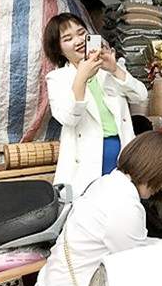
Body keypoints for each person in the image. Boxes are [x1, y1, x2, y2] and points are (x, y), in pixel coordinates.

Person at [32, 131, 162, 286]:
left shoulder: (108, 184)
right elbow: (138, 264)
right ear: (154, 167)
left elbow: (130, 242)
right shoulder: (125, 204)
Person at [43, 13, 147, 196]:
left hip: (122, 152)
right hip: (87, 160)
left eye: (81, 33)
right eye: (68, 38)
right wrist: (81, 78)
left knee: (121, 206)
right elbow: (69, 118)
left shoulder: (109, 68)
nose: (78, 41)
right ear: (58, 49)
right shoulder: (57, 79)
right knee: (90, 209)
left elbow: (141, 96)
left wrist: (115, 69)